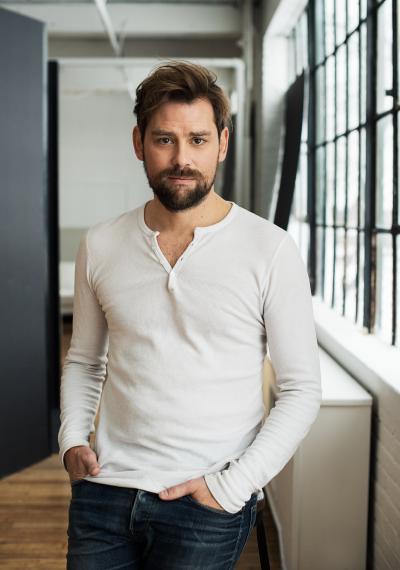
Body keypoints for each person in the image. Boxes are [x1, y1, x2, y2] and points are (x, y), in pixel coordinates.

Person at [59, 59, 322, 570]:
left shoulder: (269, 249)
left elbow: (301, 390)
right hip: (105, 490)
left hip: (207, 501)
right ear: (138, 143)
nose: (182, 158)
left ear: (222, 143)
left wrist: (233, 487)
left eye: (198, 140)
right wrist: (71, 440)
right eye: (165, 140)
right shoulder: (102, 243)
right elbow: (85, 361)